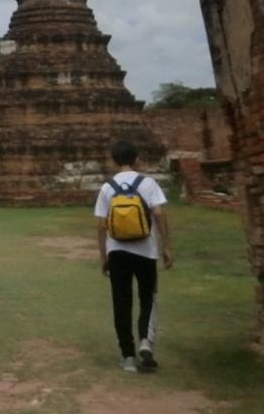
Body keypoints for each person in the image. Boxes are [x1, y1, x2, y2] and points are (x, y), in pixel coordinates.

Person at [94, 141, 174, 374]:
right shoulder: (148, 183)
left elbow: (101, 225)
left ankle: (128, 356)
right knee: (148, 297)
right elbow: (159, 213)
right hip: (146, 251)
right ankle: (146, 341)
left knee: (121, 302)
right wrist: (167, 246)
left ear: (113, 160)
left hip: (117, 252)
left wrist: (103, 256)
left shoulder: (107, 187)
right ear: (136, 159)